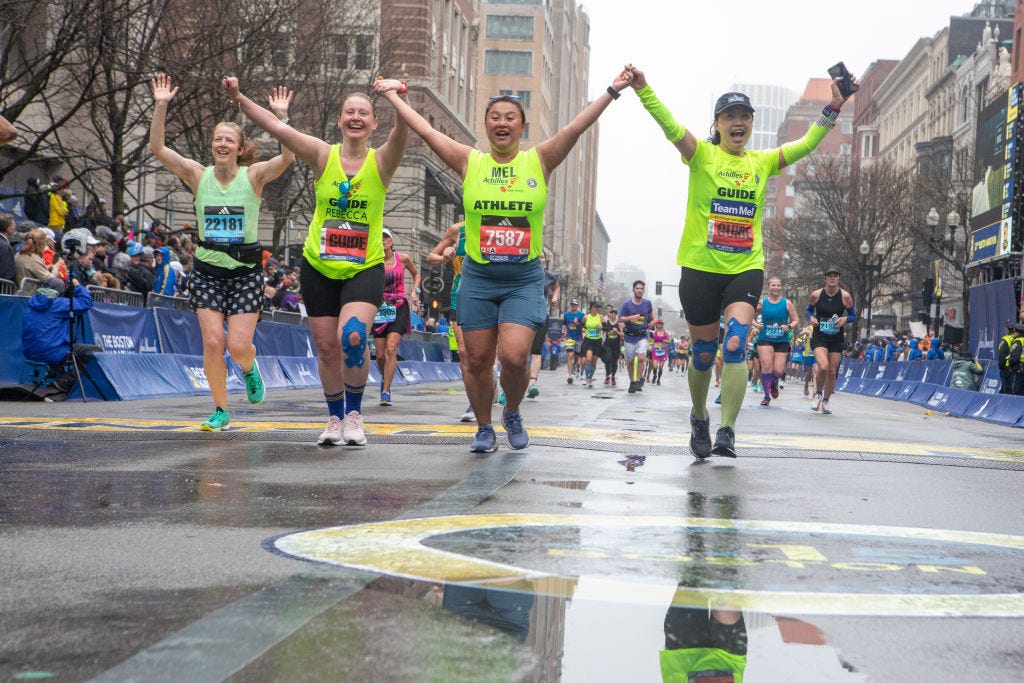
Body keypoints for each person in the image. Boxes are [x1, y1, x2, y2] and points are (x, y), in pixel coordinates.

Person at [376, 68, 632, 452]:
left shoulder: (539, 161)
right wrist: (394, 97)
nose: (502, 122)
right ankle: (483, 428)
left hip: (522, 279)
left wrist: (613, 90)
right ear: (486, 126)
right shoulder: (470, 162)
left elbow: (577, 127)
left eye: (510, 117)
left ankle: (511, 411)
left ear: (521, 127)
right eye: (494, 117)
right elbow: (428, 134)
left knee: (514, 357)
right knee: (477, 359)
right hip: (479, 278)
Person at [627, 65, 853, 458]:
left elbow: (805, 145)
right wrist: (643, 89)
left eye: (744, 117)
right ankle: (699, 415)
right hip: (699, 268)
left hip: (743, 268)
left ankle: (727, 430)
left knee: (734, 342)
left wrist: (832, 108)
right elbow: (668, 125)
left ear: (750, 125)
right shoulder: (702, 155)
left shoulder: (761, 162)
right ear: (717, 124)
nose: (738, 123)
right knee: (701, 354)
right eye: (730, 116)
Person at [227, 75, 409, 445]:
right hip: (319, 267)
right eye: (349, 113)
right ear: (340, 121)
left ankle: (355, 416)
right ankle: (334, 418)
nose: (356, 118)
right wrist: (240, 98)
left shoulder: (382, 161)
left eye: (364, 113)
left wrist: (396, 98)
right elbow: (276, 126)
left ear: (374, 123)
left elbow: (403, 132)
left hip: (363, 267)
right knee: (327, 348)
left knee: (353, 338)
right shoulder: (323, 154)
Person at [150, 74, 295, 430]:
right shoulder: (198, 176)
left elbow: (289, 156)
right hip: (206, 272)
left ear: (240, 148)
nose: (222, 144)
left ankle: (250, 368)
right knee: (214, 342)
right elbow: (158, 149)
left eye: (229, 140)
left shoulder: (254, 176)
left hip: (245, 274)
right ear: (212, 146)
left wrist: (280, 119)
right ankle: (220, 410)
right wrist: (161, 105)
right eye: (218, 140)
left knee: (238, 346)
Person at [427, 221, 477, 422]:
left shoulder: (493, 226)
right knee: (464, 352)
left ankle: (487, 385)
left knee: (483, 354)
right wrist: (443, 257)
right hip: (460, 294)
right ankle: (473, 401)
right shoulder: (458, 230)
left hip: (488, 295)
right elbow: (431, 257)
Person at [21, 284, 102, 395]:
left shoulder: (31, 305)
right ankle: (64, 382)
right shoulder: (58, 304)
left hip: (30, 352)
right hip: (52, 352)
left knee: (60, 344)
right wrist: (77, 285)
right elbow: (86, 302)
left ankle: (56, 381)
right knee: (94, 351)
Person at [374, 227, 420, 407]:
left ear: (391, 241)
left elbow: (416, 274)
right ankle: (385, 378)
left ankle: (386, 391)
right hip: (379, 308)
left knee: (391, 349)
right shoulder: (373, 261)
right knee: (379, 355)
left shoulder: (403, 258)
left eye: (386, 238)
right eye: (380, 238)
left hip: (399, 306)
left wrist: (415, 290)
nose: (383, 241)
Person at [807, 266, 857, 415]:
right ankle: (817, 394)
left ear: (839, 279)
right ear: (825, 278)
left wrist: (845, 319)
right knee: (823, 366)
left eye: (835, 276)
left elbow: (853, 315)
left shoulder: (845, 296)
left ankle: (826, 400)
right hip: (820, 335)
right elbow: (808, 310)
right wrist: (811, 317)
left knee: (832, 371)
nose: (833, 278)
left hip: (836, 337)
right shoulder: (816, 295)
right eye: (830, 276)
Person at [751, 276, 800, 406]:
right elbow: (750, 314)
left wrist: (788, 326)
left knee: (778, 370)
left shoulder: (787, 303)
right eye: (773, 285)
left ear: (781, 287)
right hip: (765, 338)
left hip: (781, 339)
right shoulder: (762, 303)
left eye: (778, 285)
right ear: (768, 287)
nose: (776, 287)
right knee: (766, 366)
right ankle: (766, 396)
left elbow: (796, 320)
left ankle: (772, 383)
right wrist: (756, 324)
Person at [527, 252, 560, 398]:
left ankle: (532, 384)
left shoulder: (549, 276)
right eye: (538, 256)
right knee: (519, 352)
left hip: (541, 315)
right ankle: (511, 387)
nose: (540, 259)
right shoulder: (524, 272)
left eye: (542, 257)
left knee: (536, 350)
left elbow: (556, 287)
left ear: (546, 260)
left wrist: (554, 297)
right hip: (523, 315)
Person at [619, 279, 655, 394]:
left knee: (641, 358)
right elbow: (620, 318)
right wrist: (631, 318)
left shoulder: (647, 303)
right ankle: (632, 381)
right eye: (637, 288)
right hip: (629, 336)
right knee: (629, 361)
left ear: (643, 290)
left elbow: (651, 314)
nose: (639, 290)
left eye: (641, 289)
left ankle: (638, 380)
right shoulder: (627, 304)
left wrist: (654, 321)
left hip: (642, 336)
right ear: (633, 290)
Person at [579, 301, 605, 388]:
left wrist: (602, 327)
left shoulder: (601, 317)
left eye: (598, 307)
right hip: (588, 340)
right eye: (595, 307)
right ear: (591, 307)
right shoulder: (586, 317)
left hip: (597, 341)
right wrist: (583, 328)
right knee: (588, 359)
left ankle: (590, 378)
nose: (597, 309)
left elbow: (607, 328)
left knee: (594, 361)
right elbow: (582, 325)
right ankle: (587, 377)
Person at [562, 299, 584, 384]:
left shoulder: (581, 315)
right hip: (569, 338)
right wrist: (563, 329)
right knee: (570, 355)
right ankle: (570, 376)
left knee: (577, 357)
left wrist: (578, 323)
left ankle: (574, 365)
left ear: (577, 306)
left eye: (574, 305)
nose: (573, 306)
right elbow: (564, 323)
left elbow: (584, 326)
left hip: (578, 338)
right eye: (572, 305)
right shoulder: (566, 314)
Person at [602, 306, 622, 385]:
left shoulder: (619, 323)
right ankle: (607, 375)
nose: (613, 315)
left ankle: (613, 376)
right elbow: (602, 331)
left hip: (616, 345)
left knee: (614, 361)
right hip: (607, 344)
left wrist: (617, 332)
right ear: (609, 314)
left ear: (616, 315)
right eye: (611, 313)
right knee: (608, 359)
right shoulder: (606, 322)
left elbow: (622, 334)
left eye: (614, 313)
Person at [997, 320, 1018, 394]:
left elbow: (1002, 355)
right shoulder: (1017, 339)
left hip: (1006, 367)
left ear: (1008, 330)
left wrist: (1001, 366)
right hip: (1015, 367)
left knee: (1006, 388)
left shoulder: (1006, 340)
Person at [650, 319, 670, 385]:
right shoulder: (653, 333)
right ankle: (654, 376)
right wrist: (649, 347)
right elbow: (650, 341)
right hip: (655, 350)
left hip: (663, 350)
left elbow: (669, 341)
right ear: (656, 325)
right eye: (658, 323)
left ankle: (658, 379)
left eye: (661, 323)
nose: (659, 324)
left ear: (662, 325)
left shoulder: (666, 333)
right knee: (655, 366)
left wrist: (666, 341)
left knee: (661, 366)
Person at [0, 213, 15, 283]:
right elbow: (6, 271)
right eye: (13, 225)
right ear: (8, 228)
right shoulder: (5, 246)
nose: (15, 226)